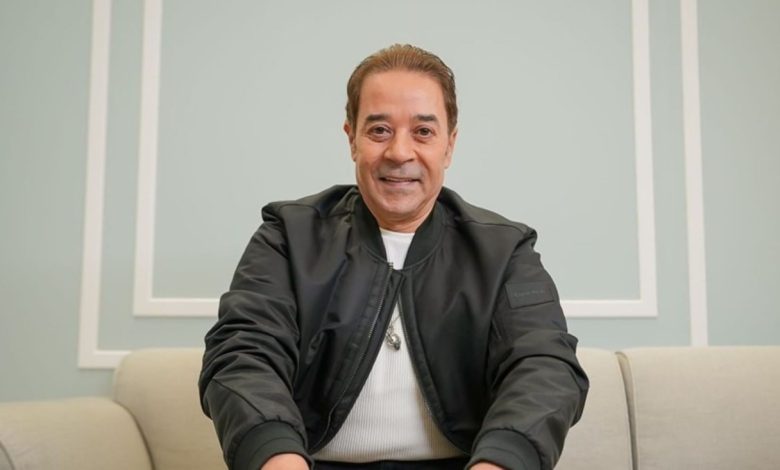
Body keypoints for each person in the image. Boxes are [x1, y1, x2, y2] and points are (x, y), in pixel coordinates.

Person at [199, 44, 589, 470]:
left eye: (423, 132)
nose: (400, 152)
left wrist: (501, 462)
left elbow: (544, 367)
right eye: (380, 130)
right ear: (351, 139)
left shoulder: (504, 251)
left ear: (449, 145)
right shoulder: (287, 237)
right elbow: (243, 354)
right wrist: (277, 457)